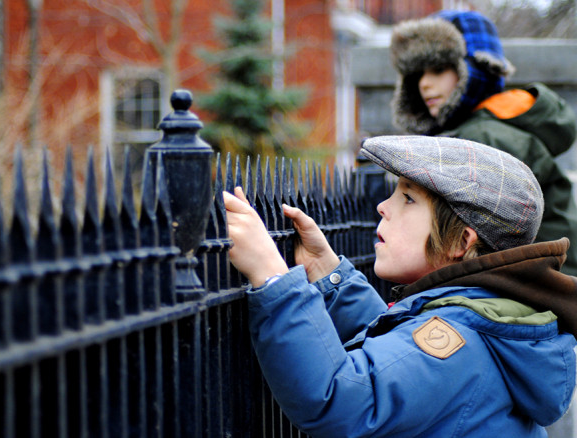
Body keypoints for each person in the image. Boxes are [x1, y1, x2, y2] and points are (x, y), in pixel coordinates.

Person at [223, 135, 577, 438]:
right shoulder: (476, 316)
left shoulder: (460, 341)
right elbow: (402, 355)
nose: (382, 206)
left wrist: (273, 276)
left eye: (408, 199)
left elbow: (340, 401)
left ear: (460, 241)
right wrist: (327, 274)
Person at [389, 9, 577, 275]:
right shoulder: (486, 128)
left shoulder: (482, 139)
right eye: (418, 73)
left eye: (439, 69)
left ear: (475, 70)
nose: (425, 84)